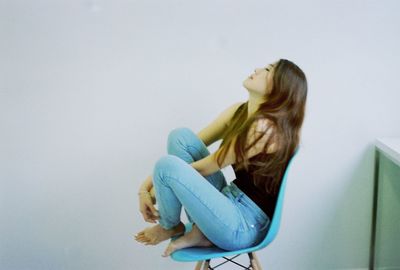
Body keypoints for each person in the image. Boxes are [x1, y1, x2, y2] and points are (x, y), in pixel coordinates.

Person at [134, 59, 308, 257]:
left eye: (267, 70)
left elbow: (202, 168)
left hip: (244, 225)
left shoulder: (265, 128)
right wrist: (144, 191)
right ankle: (200, 232)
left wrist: (151, 191)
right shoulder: (239, 111)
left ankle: (170, 225)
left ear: (280, 88)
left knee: (167, 166)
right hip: (226, 199)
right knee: (180, 137)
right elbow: (187, 150)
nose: (257, 69)